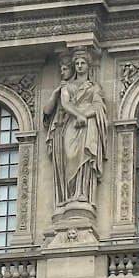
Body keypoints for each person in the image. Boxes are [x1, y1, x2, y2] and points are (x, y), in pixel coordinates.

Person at [44, 50, 109, 206]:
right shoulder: (68, 86)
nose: (80, 66)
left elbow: (98, 106)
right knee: (71, 157)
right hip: (71, 124)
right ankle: (71, 193)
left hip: (88, 125)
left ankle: (82, 192)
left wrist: (84, 116)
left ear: (88, 66)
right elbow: (65, 103)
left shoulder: (94, 87)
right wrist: (78, 115)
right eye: (77, 63)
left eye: (83, 63)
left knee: (86, 157)